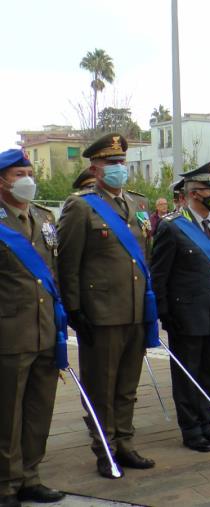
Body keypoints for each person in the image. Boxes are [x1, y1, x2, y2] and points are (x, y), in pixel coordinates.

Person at [57, 133, 156, 478]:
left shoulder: (138, 204)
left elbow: (144, 257)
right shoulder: (81, 205)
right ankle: (106, 448)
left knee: (128, 385)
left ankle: (125, 442)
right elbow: (67, 263)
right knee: (101, 386)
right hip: (100, 313)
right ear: (95, 169)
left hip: (134, 310)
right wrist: (74, 309)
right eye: (112, 164)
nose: (119, 169)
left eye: (122, 163)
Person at [150, 161, 210, 453]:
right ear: (194, 193)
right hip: (185, 314)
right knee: (187, 375)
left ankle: (207, 424)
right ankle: (191, 430)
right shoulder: (172, 228)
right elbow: (159, 275)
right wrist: (165, 314)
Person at [0, 149, 67, 505]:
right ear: (1, 182)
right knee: (7, 413)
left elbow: (51, 272)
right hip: (9, 333)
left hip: (45, 330)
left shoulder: (43, 217)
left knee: (40, 409)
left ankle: (30, 476)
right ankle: (6, 484)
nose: (27, 179)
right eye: (17, 174)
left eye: (29, 171)